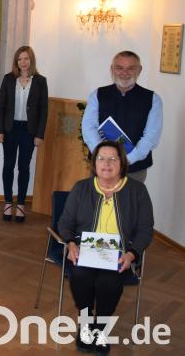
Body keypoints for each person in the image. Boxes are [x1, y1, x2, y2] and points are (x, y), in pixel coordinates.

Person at [58, 140, 154, 354]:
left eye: (113, 158)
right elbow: (64, 223)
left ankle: (100, 328)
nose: (106, 163)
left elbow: (145, 230)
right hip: (85, 251)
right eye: (101, 158)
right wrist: (72, 243)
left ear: (122, 163)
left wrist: (132, 254)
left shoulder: (137, 191)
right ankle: (85, 324)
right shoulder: (81, 188)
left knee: (108, 283)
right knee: (81, 276)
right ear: (94, 162)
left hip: (120, 254)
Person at [81, 51, 163, 183]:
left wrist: (127, 159)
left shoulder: (153, 99)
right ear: (112, 69)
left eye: (130, 68)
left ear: (139, 70)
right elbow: (88, 127)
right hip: (101, 165)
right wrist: (104, 157)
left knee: (129, 203)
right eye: (119, 68)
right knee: (98, 202)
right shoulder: (98, 94)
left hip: (134, 168)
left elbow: (151, 136)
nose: (124, 73)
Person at [0, 46, 48, 222]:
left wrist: (39, 134)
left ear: (31, 60)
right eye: (19, 59)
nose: (23, 62)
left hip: (29, 131)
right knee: (8, 165)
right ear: (16, 62)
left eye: (26, 58)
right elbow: (1, 106)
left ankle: (22, 205)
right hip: (10, 129)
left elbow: (43, 110)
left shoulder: (40, 81)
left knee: (24, 167)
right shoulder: (9, 79)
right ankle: (8, 203)